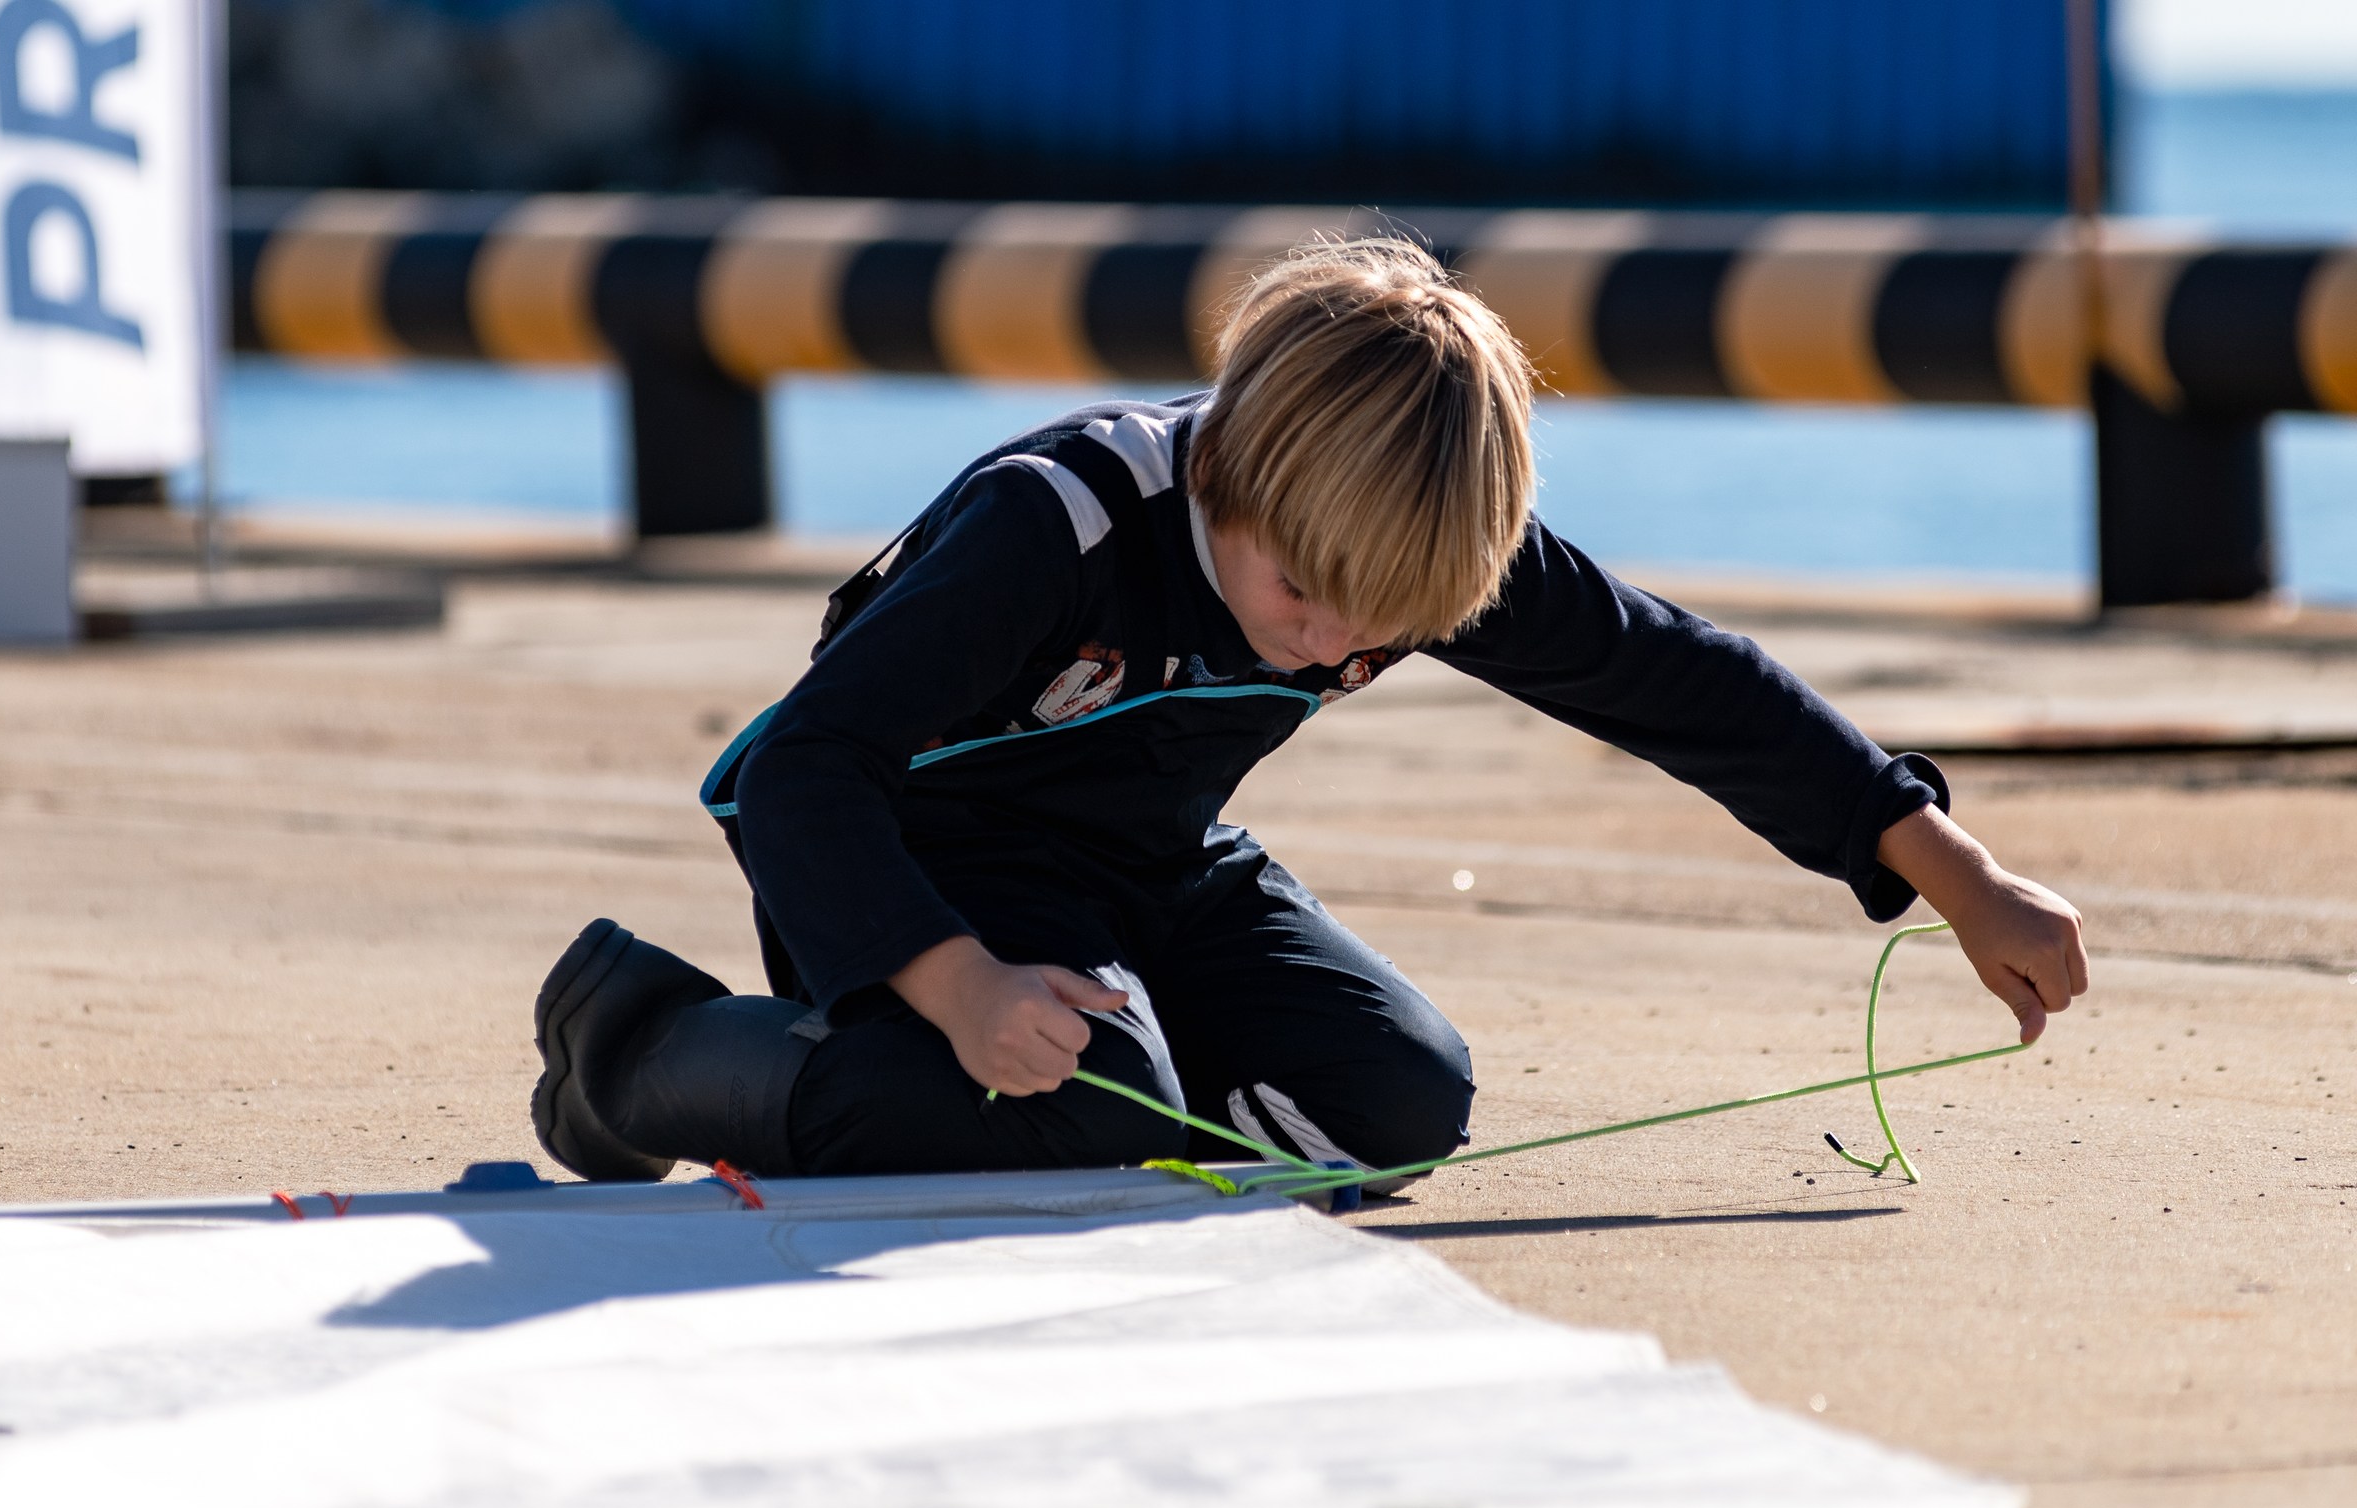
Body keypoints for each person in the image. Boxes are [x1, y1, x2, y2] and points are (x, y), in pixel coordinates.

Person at [529, 236, 2090, 1186]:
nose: (1336, 644)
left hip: (1152, 861)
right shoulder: (1058, 525)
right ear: (1230, 475)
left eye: (1384, 629)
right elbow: (801, 769)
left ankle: (1096, 1080)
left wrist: (1956, 876)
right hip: (917, 874)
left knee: (1400, 1097)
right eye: (1301, 601)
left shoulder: (1406, 541)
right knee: (1050, 1107)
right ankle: (648, 1045)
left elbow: (1676, 678)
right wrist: (952, 982)